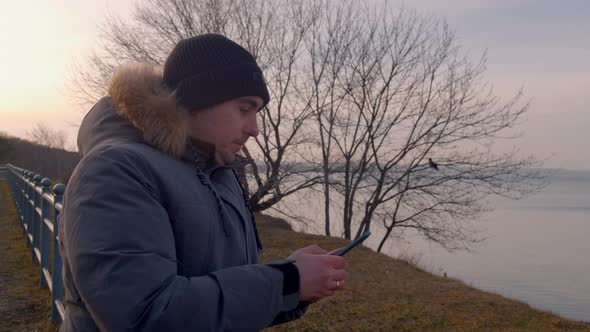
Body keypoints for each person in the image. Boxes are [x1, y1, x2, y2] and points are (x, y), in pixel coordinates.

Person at [58, 34, 346, 331]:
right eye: (244, 109)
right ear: (195, 101)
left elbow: (224, 292)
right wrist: (287, 281)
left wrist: (290, 279)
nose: (254, 129)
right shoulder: (115, 171)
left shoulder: (221, 172)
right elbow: (145, 316)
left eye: (257, 112)